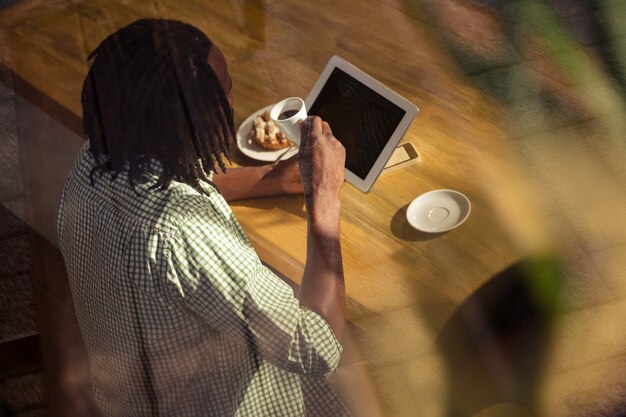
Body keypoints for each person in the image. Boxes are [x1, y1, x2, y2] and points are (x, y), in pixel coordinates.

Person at [57, 19, 349, 416]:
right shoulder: (186, 235)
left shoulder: (94, 161)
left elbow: (166, 178)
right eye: (224, 93)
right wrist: (325, 197)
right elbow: (316, 348)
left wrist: (272, 179)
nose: (231, 102)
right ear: (186, 121)